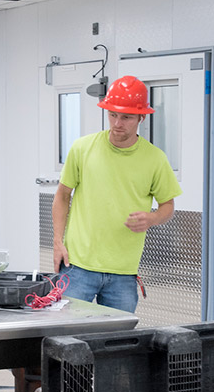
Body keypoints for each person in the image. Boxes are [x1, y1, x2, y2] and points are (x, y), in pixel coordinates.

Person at [52, 75, 182, 313]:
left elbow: (168, 207)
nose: (117, 123)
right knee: (62, 336)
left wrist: (151, 218)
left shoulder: (155, 159)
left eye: (126, 117)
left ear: (141, 117)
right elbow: (62, 195)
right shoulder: (82, 149)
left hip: (124, 273)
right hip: (77, 266)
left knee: (117, 341)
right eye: (112, 114)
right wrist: (58, 241)